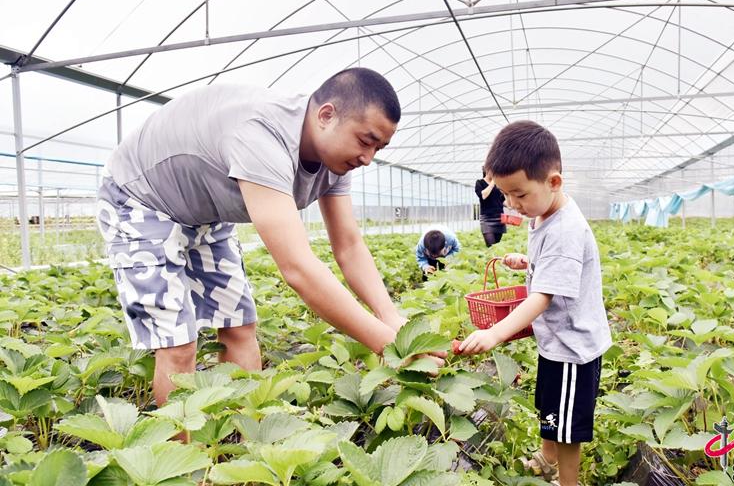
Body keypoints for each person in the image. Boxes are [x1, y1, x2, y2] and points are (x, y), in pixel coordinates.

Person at [96, 67, 444, 409]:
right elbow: (298, 268)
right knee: (178, 344)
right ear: (326, 115)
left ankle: (245, 436)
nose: (368, 158)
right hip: (140, 200)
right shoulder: (260, 134)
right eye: (365, 141)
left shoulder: (337, 159)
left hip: (205, 215)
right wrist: (390, 345)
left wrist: (390, 317)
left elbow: (349, 245)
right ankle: (180, 446)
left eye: (379, 148)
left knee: (238, 325)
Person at [457, 121, 612, 486]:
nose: (512, 204)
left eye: (519, 194)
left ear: (553, 182)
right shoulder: (543, 213)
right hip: (555, 342)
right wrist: (527, 263)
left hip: (573, 349)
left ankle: (567, 481)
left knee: (567, 427)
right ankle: (546, 457)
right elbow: (552, 267)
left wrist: (495, 333)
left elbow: (542, 297)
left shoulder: (565, 229)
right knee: (550, 410)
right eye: (506, 194)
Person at [475, 167, 506, 246]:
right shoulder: (480, 183)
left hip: (499, 218)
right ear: (486, 170)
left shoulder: (498, 184)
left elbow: (502, 201)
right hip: (487, 218)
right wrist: (493, 183)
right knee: (490, 246)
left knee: (497, 245)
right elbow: (483, 195)